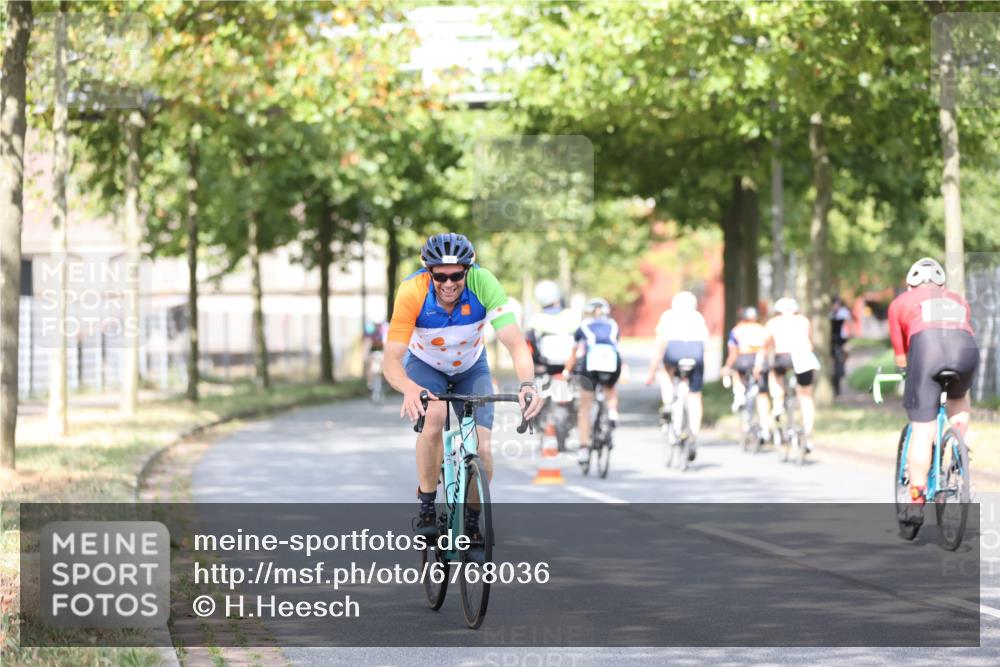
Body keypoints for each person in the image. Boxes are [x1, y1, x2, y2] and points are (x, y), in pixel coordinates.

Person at [382, 233, 542, 538]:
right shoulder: (411, 291)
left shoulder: (484, 283)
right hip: (425, 365)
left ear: (468, 270)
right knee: (435, 419)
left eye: (457, 275)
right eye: (440, 276)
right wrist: (409, 388)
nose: (448, 283)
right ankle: (428, 506)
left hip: (472, 367)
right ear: (428, 271)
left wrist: (527, 385)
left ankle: (471, 521)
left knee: (482, 447)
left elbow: (516, 345)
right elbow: (391, 359)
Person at [888, 258, 979, 525]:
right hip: (966, 350)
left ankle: (916, 500)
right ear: (942, 284)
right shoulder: (957, 300)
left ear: (909, 284)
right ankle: (958, 446)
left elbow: (900, 353)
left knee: (922, 431)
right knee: (958, 396)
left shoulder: (901, 302)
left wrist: (906, 371)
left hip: (927, 350)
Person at [645, 291, 709, 455]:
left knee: (666, 372)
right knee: (695, 396)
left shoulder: (668, 316)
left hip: (674, 349)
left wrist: (652, 371)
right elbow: (705, 345)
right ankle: (693, 433)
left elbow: (660, 346)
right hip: (696, 352)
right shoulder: (698, 317)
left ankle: (667, 402)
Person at [564, 297, 622, 464]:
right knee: (610, 387)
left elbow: (574, 353)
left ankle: (583, 448)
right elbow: (617, 347)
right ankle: (612, 412)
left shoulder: (583, 326)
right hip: (612, 361)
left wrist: (568, 370)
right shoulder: (614, 325)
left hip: (591, 362)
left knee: (585, 405)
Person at [765, 297, 820, 452]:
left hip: (783, 356)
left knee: (774, 373)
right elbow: (809, 339)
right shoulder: (803, 321)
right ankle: (808, 434)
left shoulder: (773, 323)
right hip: (803, 356)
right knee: (806, 397)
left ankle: (777, 402)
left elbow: (767, 343)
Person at [721, 306, 771, 440]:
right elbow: (766, 349)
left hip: (743, 360)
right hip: (760, 362)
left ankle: (739, 395)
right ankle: (765, 427)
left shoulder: (737, 330)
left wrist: (726, 367)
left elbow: (733, 355)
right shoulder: (763, 330)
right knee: (762, 394)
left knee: (737, 372)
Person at [525, 280, 579, 378]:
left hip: (545, 363)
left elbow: (529, 343)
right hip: (570, 363)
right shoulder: (571, 315)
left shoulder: (536, 319)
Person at [829, 296, 852, 395]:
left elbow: (848, 325)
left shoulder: (843, 313)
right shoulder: (829, 314)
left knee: (840, 362)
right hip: (831, 341)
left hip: (842, 340)